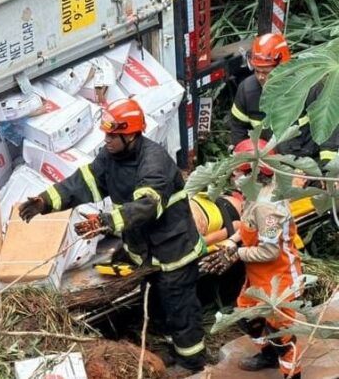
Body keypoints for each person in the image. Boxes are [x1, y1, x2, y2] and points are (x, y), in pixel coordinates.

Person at [18, 98, 207, 372]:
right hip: (148, 252)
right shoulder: (111, 157)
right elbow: (82, 183)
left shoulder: (154, 162)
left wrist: (106, 222)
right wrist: (45, 202)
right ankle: (170, 351)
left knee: (180, 309)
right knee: (157, 306)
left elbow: (147, 206)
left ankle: (192, 362)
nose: (106, 139)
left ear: (130, 135)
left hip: (174, 251)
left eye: (112, 134)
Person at [200, 139, 303, 379]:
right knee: (247, 315)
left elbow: (269, 251)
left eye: (237, 171)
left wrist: (237, 254)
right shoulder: (253, 195)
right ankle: (268, 354)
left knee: (282, 334)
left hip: (279, 279)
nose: (234, 175)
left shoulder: (269, 209)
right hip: (259, 275)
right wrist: (231, 243)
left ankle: (292, 373)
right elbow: (247, 227)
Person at [229, 33, 320, 160]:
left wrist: (324, 172)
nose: (260, 77)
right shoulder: (247, 90)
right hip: (267, 161)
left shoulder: (308, 88)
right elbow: (238, 128)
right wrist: (241, 162)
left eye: (266, 72)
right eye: (257, 71)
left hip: (305, 160)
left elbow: (329, 137)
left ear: (283, 68)